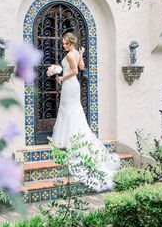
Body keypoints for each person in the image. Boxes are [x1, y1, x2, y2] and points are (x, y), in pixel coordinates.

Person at [51, 32, 120, 192]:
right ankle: (74, 137)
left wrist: (61, 78)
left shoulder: (69, 55)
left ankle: (67, 140)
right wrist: (81, 55)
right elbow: (82, 67)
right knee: (73, 111)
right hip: (74, 86)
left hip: (69, 84)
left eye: (65, 43)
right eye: (63, 43)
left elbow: (75, 71)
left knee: (68, 110)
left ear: (70, 43)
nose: (63, 45)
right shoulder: (76, 53)